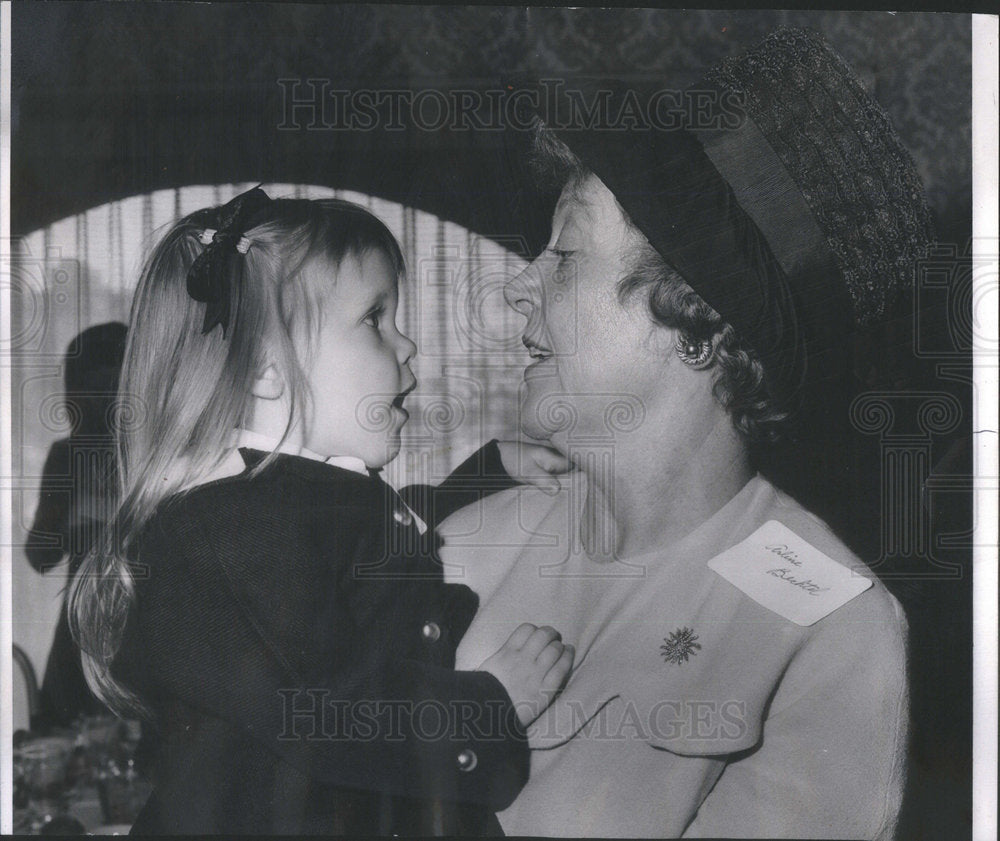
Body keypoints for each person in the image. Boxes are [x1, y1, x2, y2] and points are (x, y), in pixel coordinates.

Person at [438, 28, 931, 839]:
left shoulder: (832, 631)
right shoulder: (462, 545)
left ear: (699, 325)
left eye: (564, 254)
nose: (519, 288)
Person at [69, 188, 575, 835]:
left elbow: (360, 558)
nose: (408, 345)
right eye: (375, 318)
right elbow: (323, 704)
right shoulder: (231, 529)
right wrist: (487, 706)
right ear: (264, 369)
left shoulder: (271, 506)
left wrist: (482, 474)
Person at [26, 322, 127, 727]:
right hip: (79, 628)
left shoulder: (148, 454)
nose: (91, 401)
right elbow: (39, 555)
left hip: (136, 624)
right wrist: (68, 529)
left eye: (106, 388)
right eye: (83, 389)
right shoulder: (65, 457)